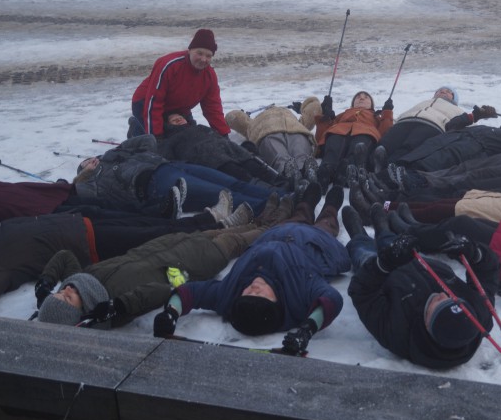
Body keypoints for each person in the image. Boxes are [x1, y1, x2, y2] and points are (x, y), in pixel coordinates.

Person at [35, 194, 294, 328]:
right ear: (82, 315)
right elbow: (160, 291)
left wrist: (46, 282)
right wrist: (119, 305)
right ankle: (282, 223)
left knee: (228, 231)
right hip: (192, 262)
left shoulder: (83, 280)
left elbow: (64, 257)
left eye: (59, 293)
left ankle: (265, 219)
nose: (66, 290)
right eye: (67, 299)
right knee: (238, 240)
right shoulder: (110, 308)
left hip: (170, 245)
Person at [153, 183, 350, 356]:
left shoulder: (228, 295)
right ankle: (330, 208)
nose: (253, 288)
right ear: (276, 301)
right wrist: (308, 328)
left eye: (248, 293)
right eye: (259, 294)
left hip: (276, 234)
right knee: (326, 224)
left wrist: (171, 312)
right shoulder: (299, 296)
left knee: (299, 215)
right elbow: (332, 299)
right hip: (316, 244)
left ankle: (307, 203)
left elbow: (191, 293)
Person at [0, 192, 244, 306]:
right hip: (90, 246)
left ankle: (210, 218)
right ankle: (219, 225)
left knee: (151, 224)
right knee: (157, 235)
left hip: (80, 222)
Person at [344, 205, 500, 370]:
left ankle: (358, 235)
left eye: (437, 302)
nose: (443, 294)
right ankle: (383, 231)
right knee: (394, 243)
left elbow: (362, 292)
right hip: (421, 263)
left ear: (427, 324)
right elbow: (489, 271)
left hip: (384, 276)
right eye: (453, 298)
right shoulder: (478, 317)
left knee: (363, 252)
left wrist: (384, 264)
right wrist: (475, 253)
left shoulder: (398, 333)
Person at [73, 135, 282, 216]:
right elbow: (79, 192)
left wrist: (119, 150)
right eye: (84, 165)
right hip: (157, 185)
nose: (90, 162)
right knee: (223, 194)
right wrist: (84, 176)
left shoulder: (114, 155)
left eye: (90, 159)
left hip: (173, 166)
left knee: (234, 183)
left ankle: (282, 196)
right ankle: (277, 209)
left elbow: (148, 140)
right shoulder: (95, 184)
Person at [130, 29, 230, 138]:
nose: (203, 59)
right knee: (155, 140)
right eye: (199, 53)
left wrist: (223, 134)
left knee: (190, 136)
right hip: (146, 103)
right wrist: (157, 138)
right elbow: (154, 102)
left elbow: (213, 107)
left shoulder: (210, 75)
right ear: (190, 50)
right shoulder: (169, 65)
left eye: (208, 56)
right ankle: (136, 127)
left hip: (180, 108)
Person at [158, 112, 286, 187]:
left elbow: (218, 136)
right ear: (168, 126)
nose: (179, 120)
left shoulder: (201, 127)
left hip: (226, 148)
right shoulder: (171, 139)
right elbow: (168, 160)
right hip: (207, 157)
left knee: (252, 163)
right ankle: (270, 192)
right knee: (237, 172)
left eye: (180, 118)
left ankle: (282, 182)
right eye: (174, 120)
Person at [376, 86, 499, 163]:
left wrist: (483, 116)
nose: (443, 91)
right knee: (386, 143)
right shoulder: (423, 102)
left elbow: (469, 128)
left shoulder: (458, 110)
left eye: (448, 92)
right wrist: (384, 116)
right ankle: (378, 159)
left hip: (432, 125)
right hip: (405, 121)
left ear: (454, 99)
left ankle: (387, 166)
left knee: (409, 147)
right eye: (440, 91)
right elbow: (402, 115)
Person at [225, 98, 321, 186]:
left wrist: (302, 107)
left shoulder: (253, 123)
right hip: (269, 132)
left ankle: (303, 170)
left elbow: (232, 117)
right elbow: (233, 117)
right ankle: (293, 172)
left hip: (292, 130)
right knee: (283, 157)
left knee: (298, 154)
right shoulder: (252, 123)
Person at [315, 91, 393, 189]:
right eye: (358, 97)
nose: (361, 98)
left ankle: (348, 170)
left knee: (360, 144)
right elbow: (321, 137)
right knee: (334, 141)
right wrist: (325, 116)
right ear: (353, 103)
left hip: (365, 133)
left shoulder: (376, 117)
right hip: (338, 132)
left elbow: (385, 133)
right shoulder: (342, 115)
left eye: (366, 97)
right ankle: (326, 171)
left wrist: (387, 113)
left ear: (371, 105)